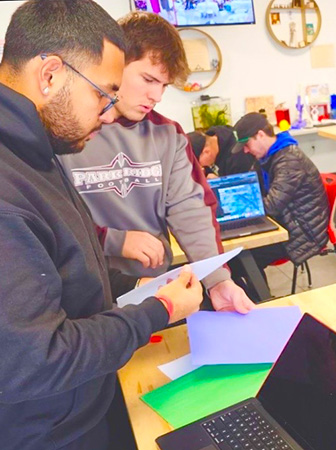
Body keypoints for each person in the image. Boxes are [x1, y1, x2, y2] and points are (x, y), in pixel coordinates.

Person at [0, 1, 205, 449]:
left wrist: (137, 286)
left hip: (88, 400)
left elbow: (68, 269)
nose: (108, 114)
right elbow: (34, 361)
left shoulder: (36, 146)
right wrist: (155, 312)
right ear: (50, 75)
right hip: (48, 432)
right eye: (103, 94)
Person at [59, 12, 254, 314]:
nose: (156, 96)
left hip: (155, 294)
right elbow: (50, 217)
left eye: (164, 86)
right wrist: (112, 240)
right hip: (86, 297)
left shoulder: (168, 134)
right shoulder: (67, 131)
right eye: (148, 79)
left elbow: (191, 210)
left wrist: (217, 281)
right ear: (115, 62)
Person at [231, 112, 329, 280]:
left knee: (242, 260)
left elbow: (272, 206)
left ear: (260, 135)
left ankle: (260, 301)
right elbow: (249, 187)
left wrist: (235, 205)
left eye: (247, 144)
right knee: (238, 256)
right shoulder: (268, 156)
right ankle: (257, 299)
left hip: (302, 232)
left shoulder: (289, 160)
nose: (246, 151)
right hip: (287, 222)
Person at [187, 125, 256, 178]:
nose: (200, 167)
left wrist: (220, 183)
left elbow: (239, 191)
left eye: (199, 165)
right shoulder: (212, 136)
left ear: (206, 152)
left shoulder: (237, 158)